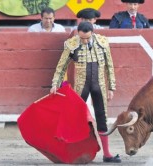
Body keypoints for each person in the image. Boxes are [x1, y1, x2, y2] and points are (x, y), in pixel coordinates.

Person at [50, 22, 121, 163]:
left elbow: (109, 65)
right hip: (81, 86)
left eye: (87, 38)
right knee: (76, 120)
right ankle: (74, 153)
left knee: (102, 119)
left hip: (99, 85)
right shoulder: (72, 44)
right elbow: (61, 66)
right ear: (78, 33)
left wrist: (111, 87)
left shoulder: (102, 42)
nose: (85, 41)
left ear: (92, 33)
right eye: (82, 38)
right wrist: (55, 85)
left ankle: (107, 154)